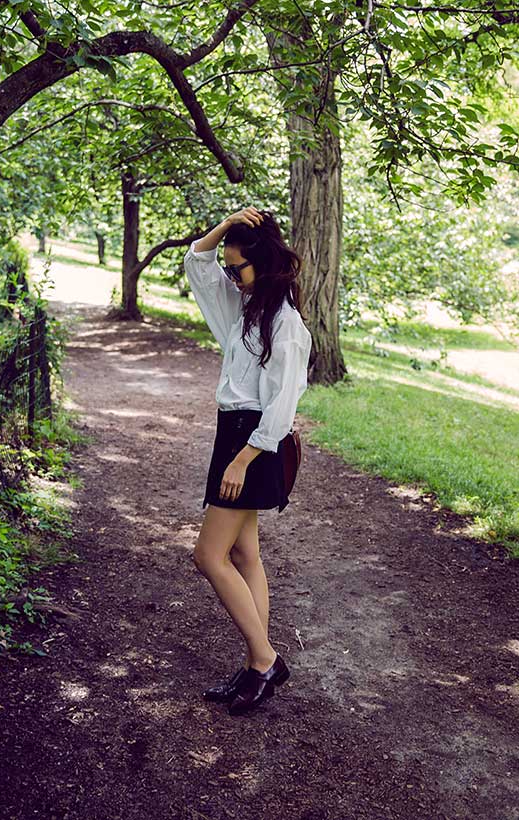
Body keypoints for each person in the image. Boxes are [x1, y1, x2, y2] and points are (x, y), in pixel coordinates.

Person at [183, 206, 312, 715]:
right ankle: (257, 663)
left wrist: (242, 460)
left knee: (208, 556)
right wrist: (229, 222)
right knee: (244, 556)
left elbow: (283, 402)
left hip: (254, 442)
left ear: (263, 261)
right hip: (234, 434)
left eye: (238, 268)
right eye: (230, 269)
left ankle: (264, 660)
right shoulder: (243, 309)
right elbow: (197, 261)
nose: (230, 277)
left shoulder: (285, 323)